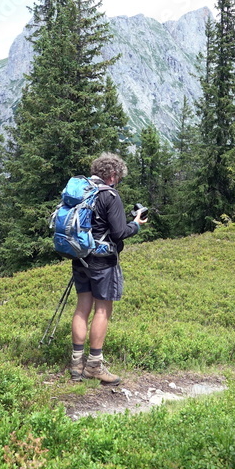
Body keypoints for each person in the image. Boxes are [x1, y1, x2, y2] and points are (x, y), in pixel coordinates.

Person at [69, 152, 147, 386]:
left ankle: (76, 365)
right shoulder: (110, 196)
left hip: (80, 256)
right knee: (102, 309)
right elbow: (119, 233)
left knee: (82, 307)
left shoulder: (82, 191)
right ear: (113, 175)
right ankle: (94, 365)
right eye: (119, 178)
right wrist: (137, 224)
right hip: (103, 261)